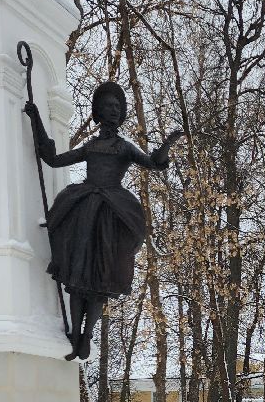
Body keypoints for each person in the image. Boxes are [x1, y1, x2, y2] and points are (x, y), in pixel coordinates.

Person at [23, 82, 182, 361]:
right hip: (84, 210)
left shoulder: (124, 148)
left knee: (100, 280)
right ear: (98, 111)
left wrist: (167, 145)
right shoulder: (92, 146)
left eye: (117, 107)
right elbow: (53, 159)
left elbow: (153, 163)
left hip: (111, 214)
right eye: (108, 106)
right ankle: (75, 334)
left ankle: (87, 335)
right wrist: (36, 119)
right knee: (76, 277)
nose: (113, 110)